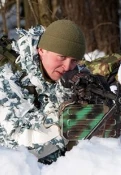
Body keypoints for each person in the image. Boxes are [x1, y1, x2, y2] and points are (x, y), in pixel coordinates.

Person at [0, 20, 86, 164]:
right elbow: (18, 147)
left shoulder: (74, 74)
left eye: (74, 60)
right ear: (41, 50)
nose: (67, 67)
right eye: (62, 57)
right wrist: (72, 122)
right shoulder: (6, 76)